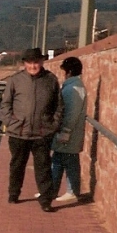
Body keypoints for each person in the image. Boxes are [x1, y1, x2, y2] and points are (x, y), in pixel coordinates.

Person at [0, 47, 63, 212]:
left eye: (36, 62)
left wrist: (53, 125)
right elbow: (5, 104)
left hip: (42, 133)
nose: (33, 66)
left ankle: (46, 200)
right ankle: (14, 193)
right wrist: (10, 123)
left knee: (43, 168)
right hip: (18, 133)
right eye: (30, 63)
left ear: (41, 62)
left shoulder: (51, 80)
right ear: (25, 63)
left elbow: (59, 106)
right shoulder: (15, 80)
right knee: (17, 165)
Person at [51, 57, 87, 202]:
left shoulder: (74, 89)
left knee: (66, 162)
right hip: (70, 133)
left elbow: (71, 113)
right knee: (61, 160)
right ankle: (52, 191)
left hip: (68, 134)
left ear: (69, 71)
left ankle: (71, 191)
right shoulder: (75, 86)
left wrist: (65, 131)